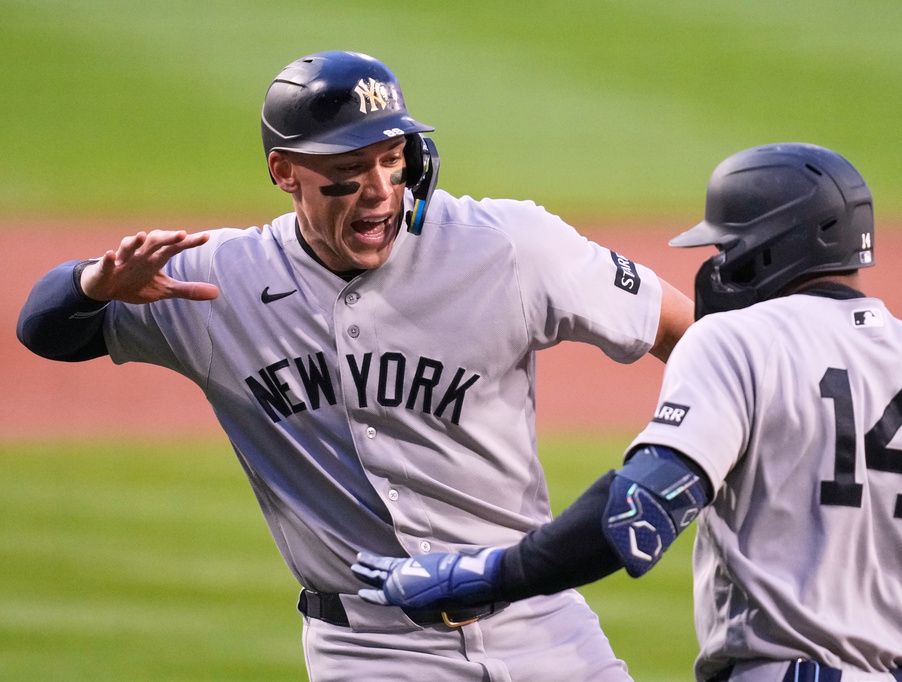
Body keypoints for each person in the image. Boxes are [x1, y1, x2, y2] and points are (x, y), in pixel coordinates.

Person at [16, 51, 696, 681]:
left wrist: (707, 442)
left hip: (540, 624)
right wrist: (92, 286)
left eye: (391, 161)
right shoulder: (218, 283)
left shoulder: (508, 246)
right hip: (369, 650)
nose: (378, 192)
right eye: (347, 173)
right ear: (285, 172)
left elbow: (684, 329)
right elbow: (44, 329)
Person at [351, 143, 902, 682]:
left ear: (766, 249)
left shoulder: (738, 341)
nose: (716, 265)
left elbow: (636, 516)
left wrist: (481, 575)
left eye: (724, 247)